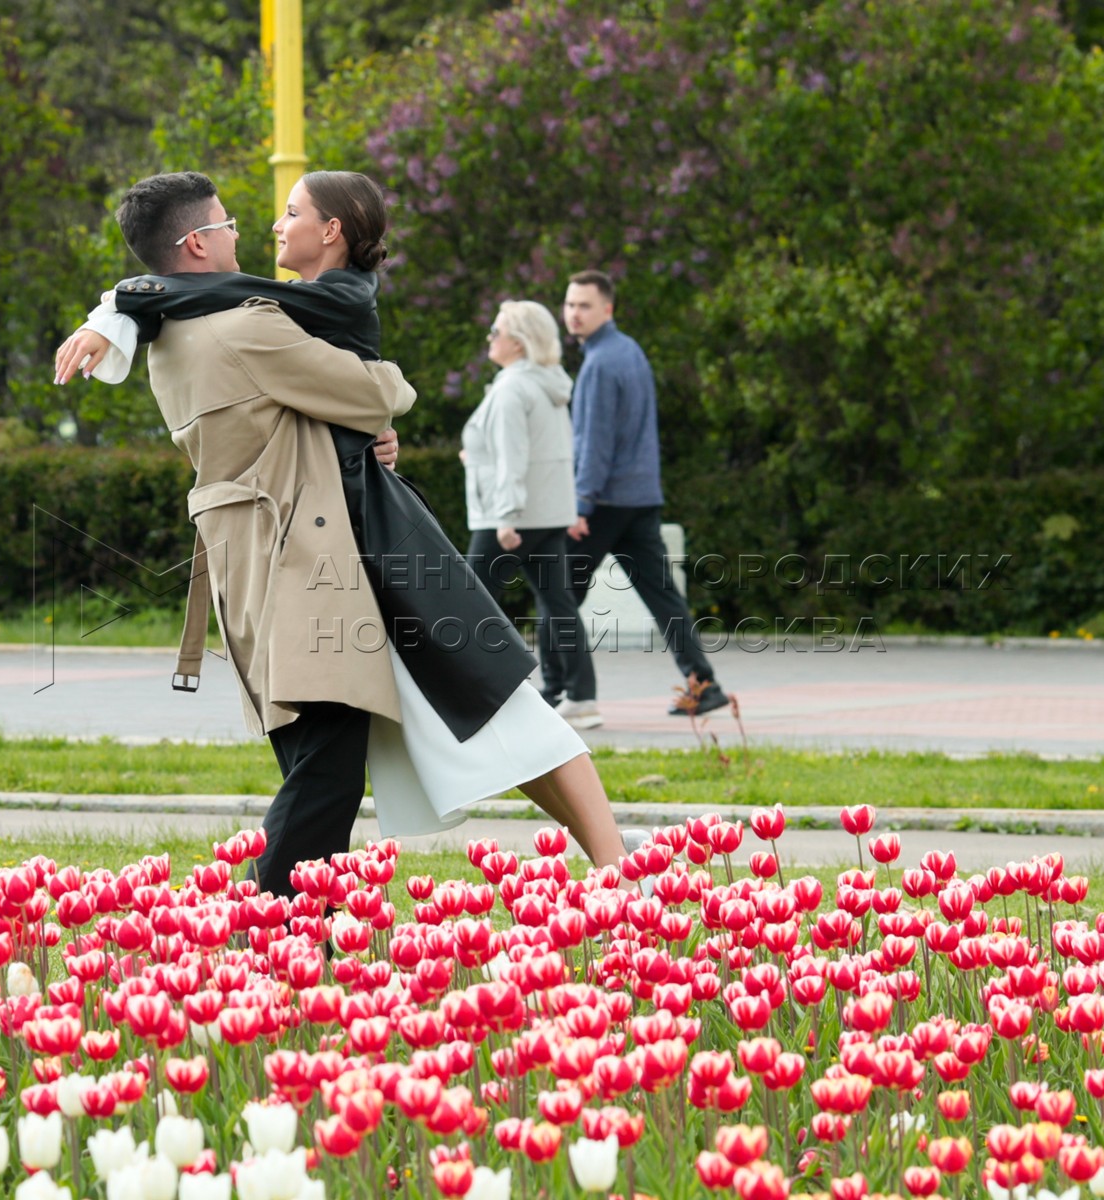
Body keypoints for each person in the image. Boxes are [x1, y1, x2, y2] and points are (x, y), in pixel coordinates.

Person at [53, 172, 627, 890]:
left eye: (288, 211)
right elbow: (378, 390)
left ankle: (294, 919)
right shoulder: (248, 326)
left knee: (351, 745)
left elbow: (286, 416)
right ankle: (277, 916)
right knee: (377, 741)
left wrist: (113, 314)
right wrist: (374, 412)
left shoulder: (169, 334)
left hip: (271, 565)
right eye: (229, 222)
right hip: (325, 560)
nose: (254, 228)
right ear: (196, 242)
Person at [560, 269, 731, 719]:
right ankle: (704, 684)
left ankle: (560, 690)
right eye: (570, 304)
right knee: (663, 597)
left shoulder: (600, 364)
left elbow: (595, 443)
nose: (574, 314)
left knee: (557, 595)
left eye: (584, 306)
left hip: (604, 503)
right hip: (640, 498)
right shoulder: (630, 351)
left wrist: (581, 504)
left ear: (607, 308)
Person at [460, 300, 599, 729]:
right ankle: (582, 696)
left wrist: (506, 517)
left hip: (510, 517)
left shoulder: (511, 388)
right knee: (558, 603)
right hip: (548, 512)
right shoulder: (548, 384)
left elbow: (513, 457)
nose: (490, 338)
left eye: (497, 331)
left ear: (518, 343)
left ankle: (478, 693)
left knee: (467, 603)